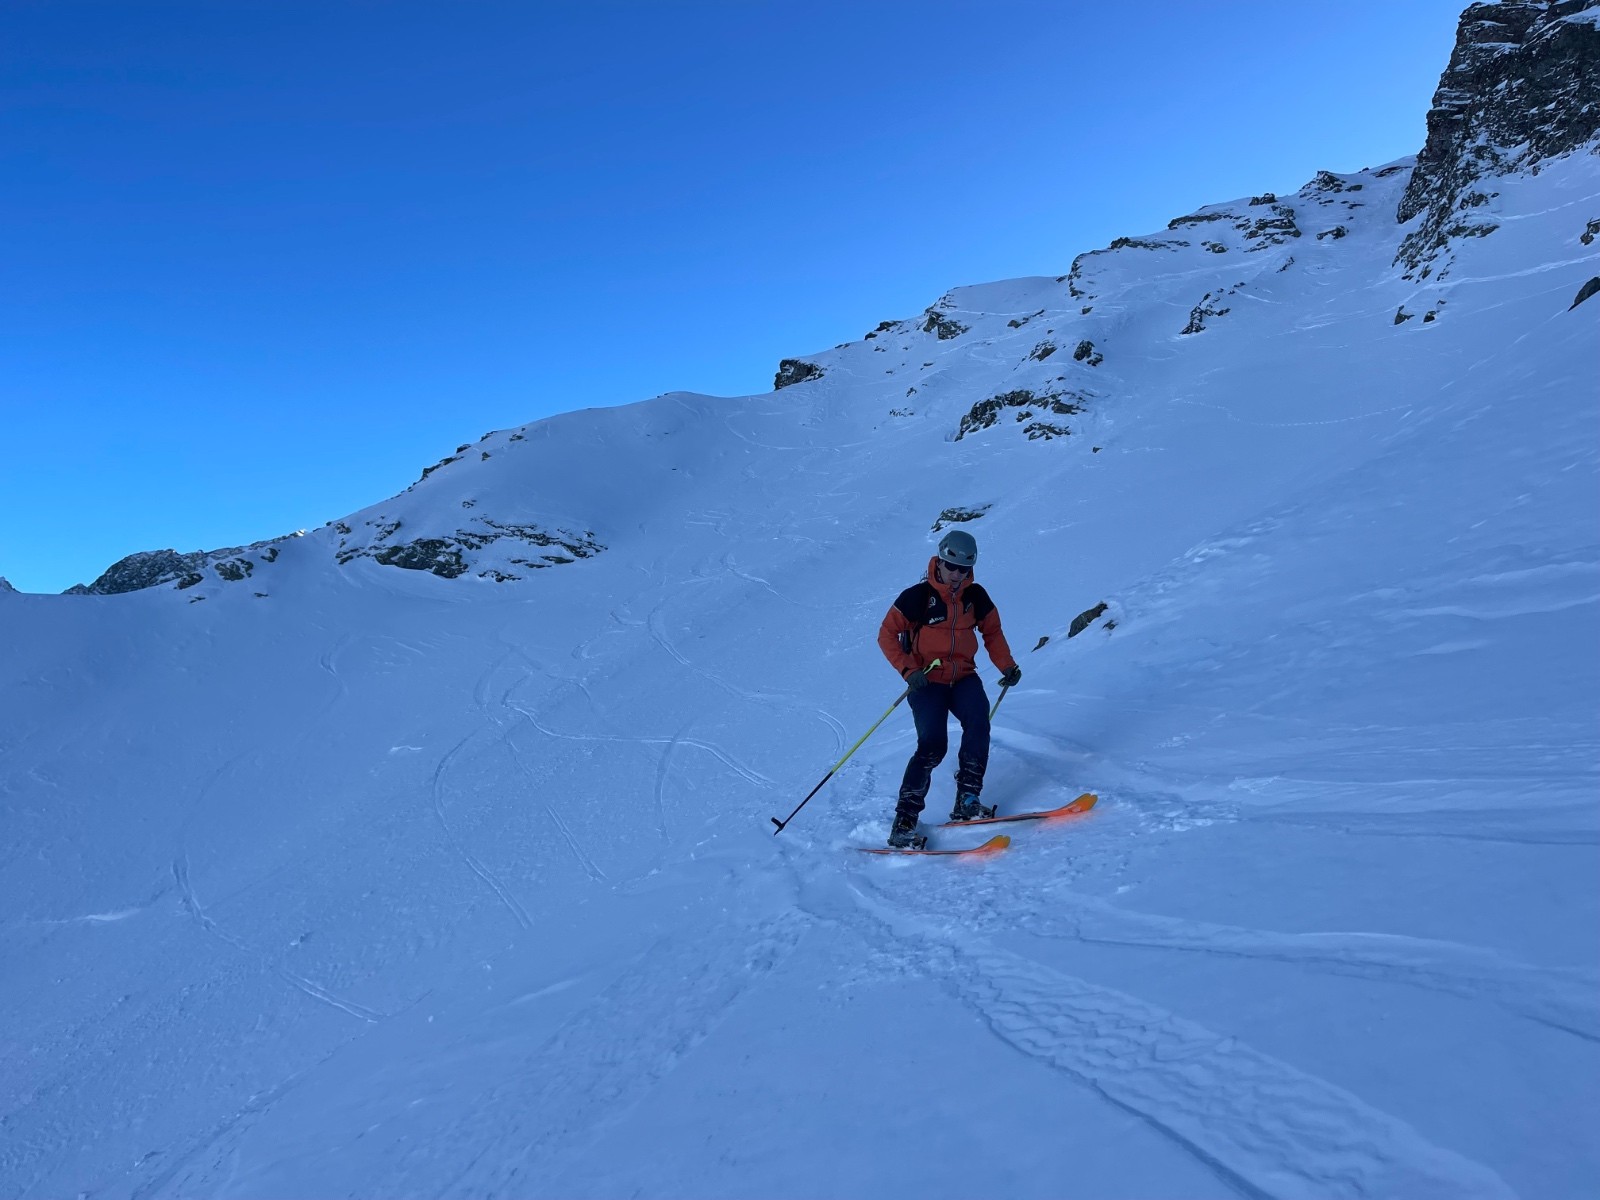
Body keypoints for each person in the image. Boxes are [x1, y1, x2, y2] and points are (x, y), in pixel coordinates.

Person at [876, 530, 1021, 847]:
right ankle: (904, 822)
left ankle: (967, 800)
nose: (956, 575)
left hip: (964, 676)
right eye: (951, 566)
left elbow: (992, 634)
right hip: (926, 680)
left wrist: (1007, 666)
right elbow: (887, 635)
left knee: (979, 724)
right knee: (932, 746)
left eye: (964, 570)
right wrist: (908, 670)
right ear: (939, 562)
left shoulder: (976, 596)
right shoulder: (917, 597)